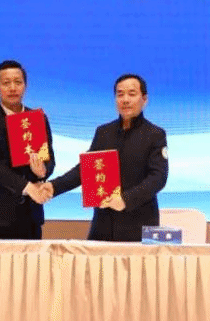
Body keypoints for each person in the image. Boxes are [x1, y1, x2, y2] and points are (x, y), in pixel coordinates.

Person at [44, 73, 168, 242]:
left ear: (144, 99)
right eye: (120, 94)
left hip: (139, 224)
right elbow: (84, 170)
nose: (125, 100)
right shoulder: (104, 132)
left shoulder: (155, 134)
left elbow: (158, 178)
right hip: (103, 224)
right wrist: (53, 186)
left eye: (132, 94)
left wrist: (125, 199)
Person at [0, 60, 56, 240]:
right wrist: (27, 187)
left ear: (25, 86)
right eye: (6, 83)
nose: (12, 88)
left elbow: (48, 158)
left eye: (18, 82)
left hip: (30, 214)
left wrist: (42, 172)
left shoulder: (38, 118)